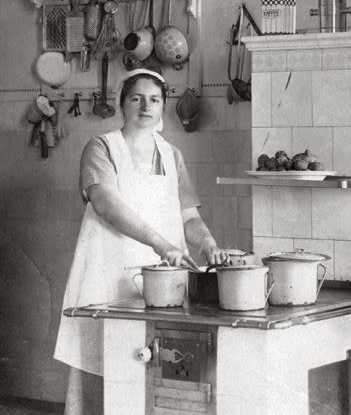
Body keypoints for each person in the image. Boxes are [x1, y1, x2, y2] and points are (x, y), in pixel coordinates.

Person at [54, 69, 230, 415]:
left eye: (154, 99)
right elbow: (106, 205)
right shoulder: (102, 146)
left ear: (163, 107)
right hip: (108, 273)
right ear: (122, 103)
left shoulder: (171, 154)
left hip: (161, 281)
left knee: (158, 362)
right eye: (137, 98)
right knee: (103, 363)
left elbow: (190, 217)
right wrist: (161, 244)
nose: (146, 106)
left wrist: (207, 242)